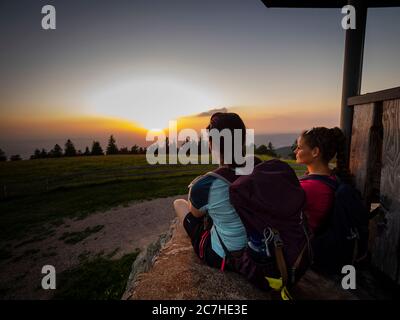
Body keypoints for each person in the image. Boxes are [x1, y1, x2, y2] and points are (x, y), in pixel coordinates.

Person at [173, 112, 248, 270]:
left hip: (225, 256)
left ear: (213, 144)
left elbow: (196, 214)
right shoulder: (257, 169)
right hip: (256, 248)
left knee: (179, 203)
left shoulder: (208, 183)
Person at [294, 126, 349, 233]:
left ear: (315, 152)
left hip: (298, 244)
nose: (295, 150)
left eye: (299, 147)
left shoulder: (313, 187)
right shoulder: (330, 178)